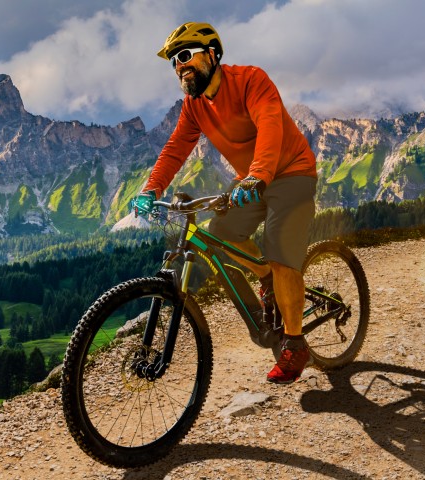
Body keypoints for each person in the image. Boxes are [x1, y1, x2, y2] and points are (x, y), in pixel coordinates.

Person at [129, 22, 320, 384]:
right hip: (252, 179)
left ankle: (295, 344)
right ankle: (266, 280)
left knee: (280, 251)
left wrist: (258, 174)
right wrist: (151, 189)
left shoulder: (251, 80)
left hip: (291, 172)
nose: (179, 66)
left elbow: (269, 125)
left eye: (185, 55)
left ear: (213, 54)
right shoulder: (194, 105)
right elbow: (174, 149)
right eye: (173, 61)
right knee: (221, 232)